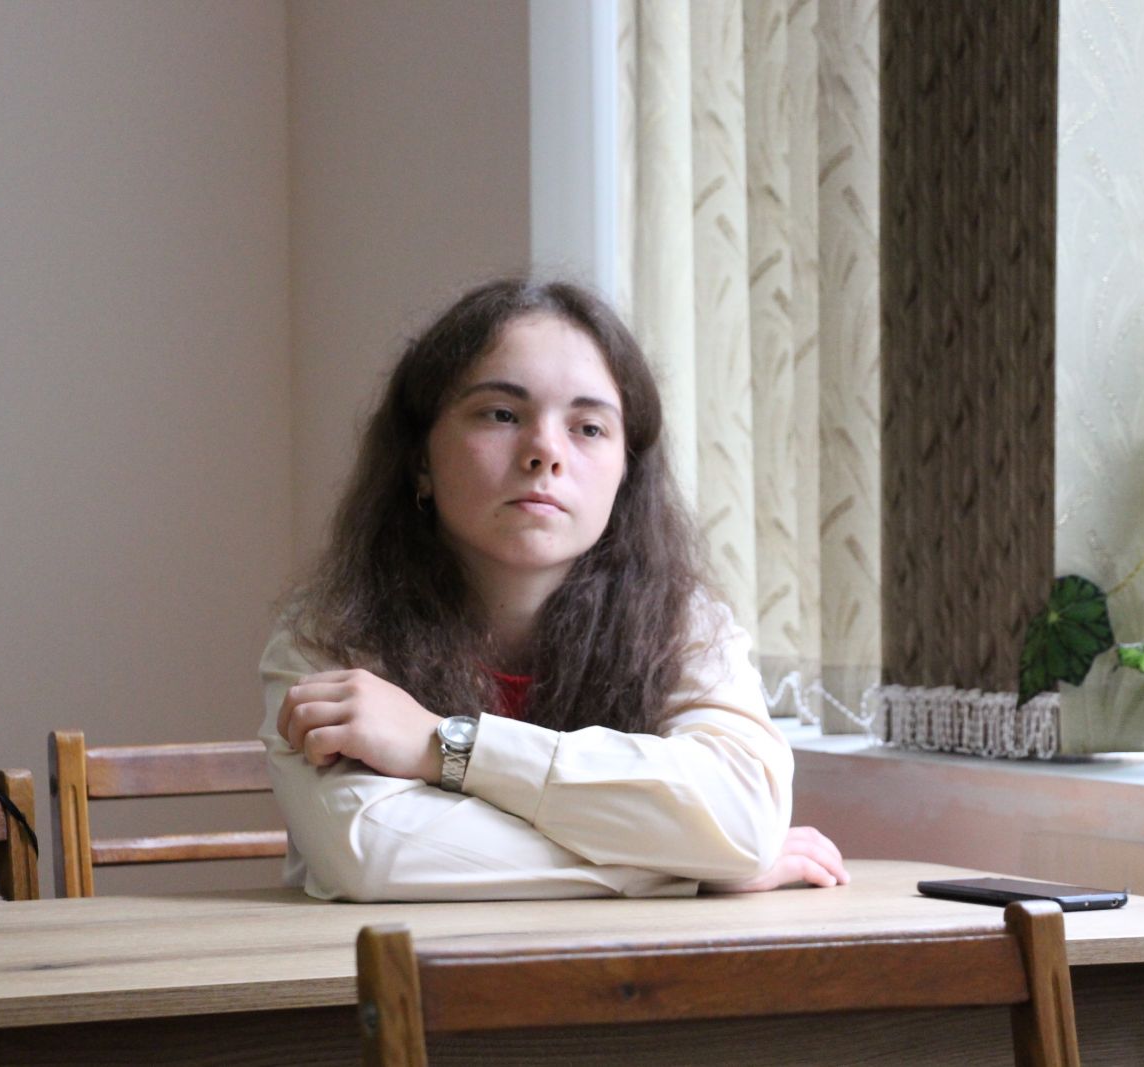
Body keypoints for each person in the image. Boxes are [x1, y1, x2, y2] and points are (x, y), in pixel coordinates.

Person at [259, 278, 848, 901]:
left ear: (626, 474)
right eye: (501, 414)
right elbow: (372, 854)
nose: (545, 451)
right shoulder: (331, 634)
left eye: (588, 428)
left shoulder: (685, 623)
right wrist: (693, 864)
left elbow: (741, 816)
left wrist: (448, 747)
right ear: (420, 460)